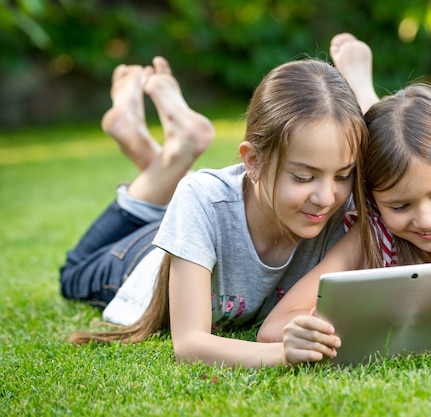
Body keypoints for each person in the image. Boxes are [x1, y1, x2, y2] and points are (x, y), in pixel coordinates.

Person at [61, 55, 368, 368]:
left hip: (200, 224)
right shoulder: (202, 198)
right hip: (140, 260)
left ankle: (173, 147)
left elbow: (402, 157)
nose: (327, 196)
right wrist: (282, 354)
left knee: (191, 203)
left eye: (343, 175)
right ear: (253, 161)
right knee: (72, 273)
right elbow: (190, 344)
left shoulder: (345, 210)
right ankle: (148, 142)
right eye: (304, 177)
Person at [259, 33, 431, 363]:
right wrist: (314, 330)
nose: (427, 220)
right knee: (389, 147)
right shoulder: (373, 229)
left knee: (401, 143)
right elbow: (273, 329)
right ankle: (362, 91)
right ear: (372, 205)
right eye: (400, 206)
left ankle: (362, 87)